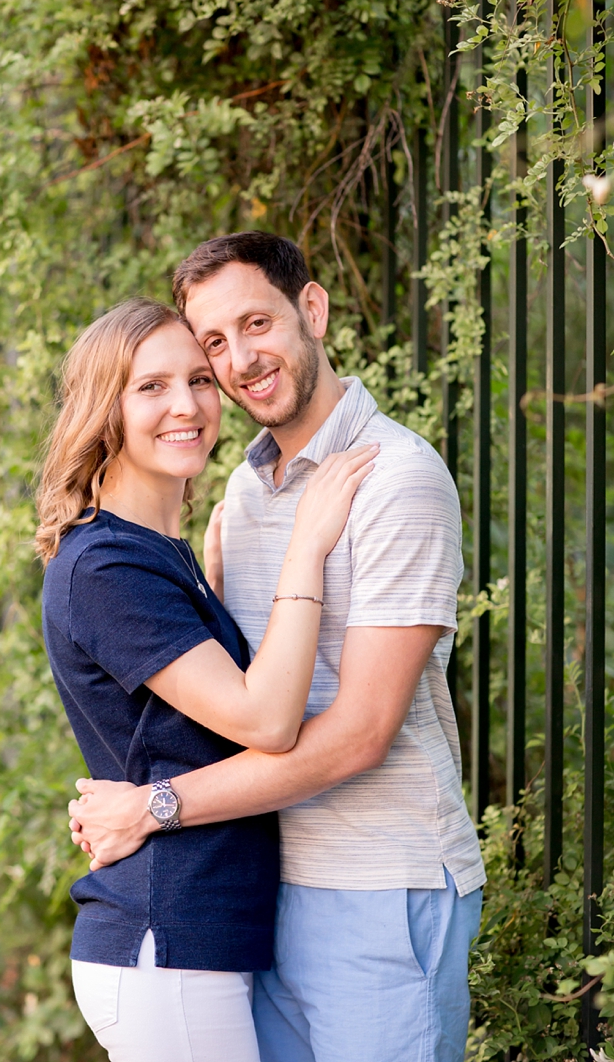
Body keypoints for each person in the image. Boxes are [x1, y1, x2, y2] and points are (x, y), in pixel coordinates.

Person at [68, 233, 485, 1062]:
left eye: (256, 322)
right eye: (214, 342)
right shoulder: (242, 492)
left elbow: (364, 730)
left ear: (314, 310)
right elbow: (235, 695)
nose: (240, 359)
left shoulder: (395, 477)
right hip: (264, 894)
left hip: (378, 887)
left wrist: (155, 805)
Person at [37, 297, 374, 1061]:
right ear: (106, 410)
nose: (186, 404)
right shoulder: (107, 563)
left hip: (196, 936)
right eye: (150, 386)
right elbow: (264, 721)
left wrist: (211, 584)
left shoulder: (162, 551)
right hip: (167, 937)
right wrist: (307, 544)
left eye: (197, 379)